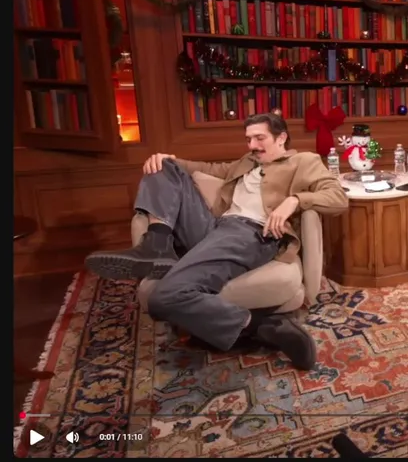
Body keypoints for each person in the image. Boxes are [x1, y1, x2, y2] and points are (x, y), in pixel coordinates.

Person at [84, 113, 348, 370]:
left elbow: (338, 198)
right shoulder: (247, 162)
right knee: (163, 167)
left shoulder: (304, 161)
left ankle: (264, 327)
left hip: (253, 233)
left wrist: (294, 200)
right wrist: (167, 159)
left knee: (162, 297)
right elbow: (209, 169)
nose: (252, 145)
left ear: (281, 138)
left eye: (260, 138)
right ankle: (156, 245)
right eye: (248, 139)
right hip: (216, 227)